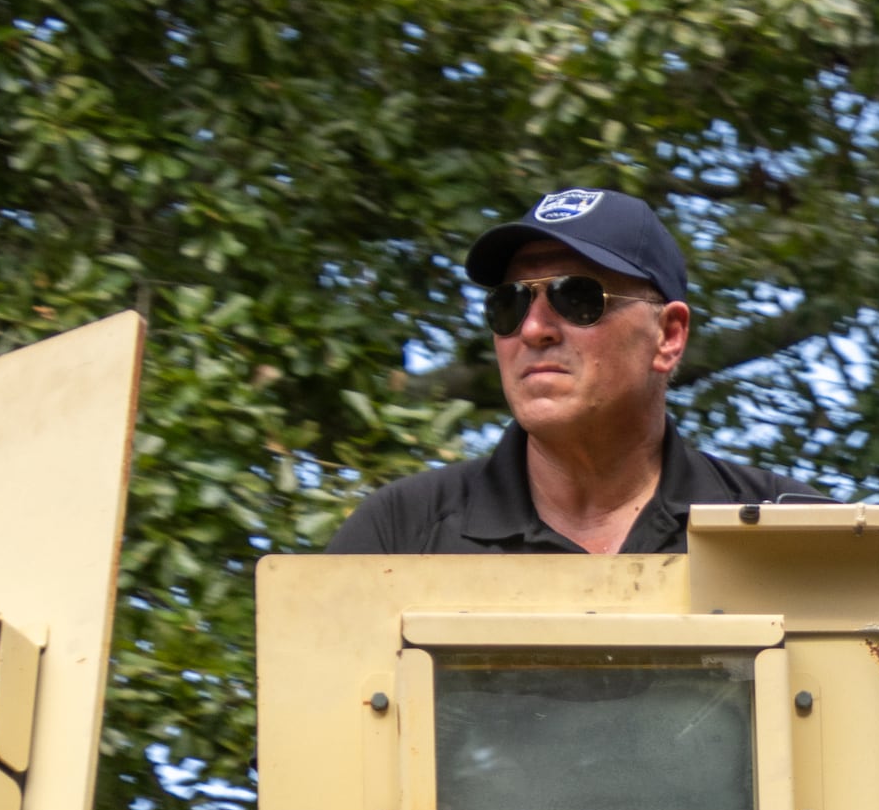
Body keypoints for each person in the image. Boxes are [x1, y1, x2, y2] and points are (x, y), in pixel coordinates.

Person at [330, 187, 825, 555]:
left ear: (668, 336)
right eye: (511, 302)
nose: (533, 329)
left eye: (577, 297)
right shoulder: (401, 535)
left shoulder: (792, 533)